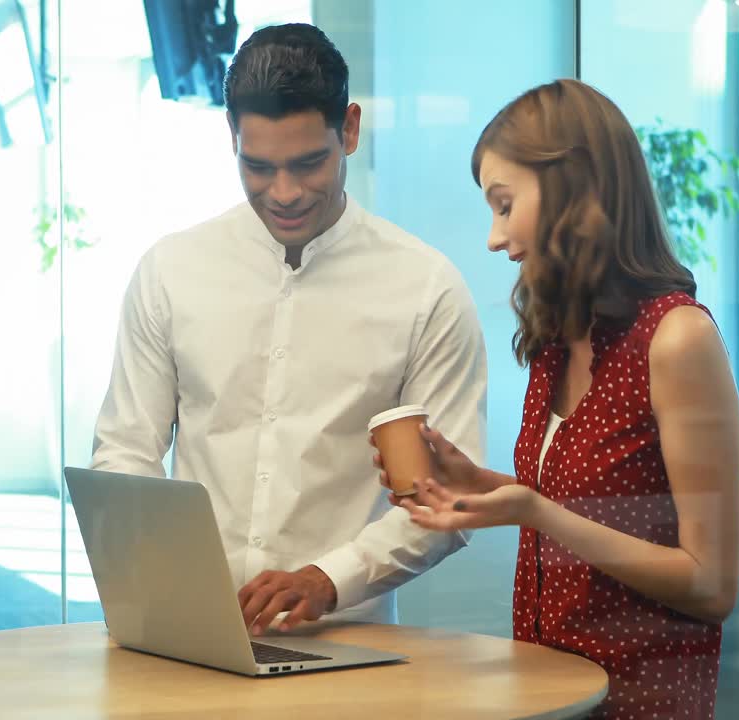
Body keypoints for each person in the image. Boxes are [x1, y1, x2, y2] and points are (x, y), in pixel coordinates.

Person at [90, 23, 487, 635]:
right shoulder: (171, 271)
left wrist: (331, 579)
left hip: (352, 641)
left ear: (349, 130)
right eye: (258, 166)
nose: (284, 193)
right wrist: (164, 579)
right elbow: (125, 452)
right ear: (232, 138)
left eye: (309, 164)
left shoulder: (426, 289)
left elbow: (449, 499)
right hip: (188, 633)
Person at [373, 79, 739, 719]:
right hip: (552, 697)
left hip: (641, 702)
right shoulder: (559, 340)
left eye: (504, 205)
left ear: (574, 188)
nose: (493, 237)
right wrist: (482, 486)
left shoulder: (677, 339)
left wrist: (534, 511)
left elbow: (710, 584)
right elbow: (586, 508)